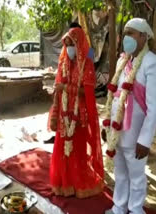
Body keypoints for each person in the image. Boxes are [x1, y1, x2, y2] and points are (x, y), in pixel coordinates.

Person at [104, 18, 156, 214]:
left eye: (131, 33)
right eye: (125, 33)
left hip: (136, 135)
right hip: (117, 131)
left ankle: (135, 209)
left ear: (143, 36)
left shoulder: (154, 63)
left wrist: (145, 140)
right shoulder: (123, 61)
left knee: (136, 176)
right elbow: (115, 97)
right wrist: (108, 126)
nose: (126, 37)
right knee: (120, 173)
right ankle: (119, 208)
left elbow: (154, 107)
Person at [49, 27, 104, 198]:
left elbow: (87, 92)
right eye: (66, 45)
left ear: (78, 44)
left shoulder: (87, 64)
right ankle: (64, 184)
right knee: (61, 149)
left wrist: (65, 87)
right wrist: (55, 113)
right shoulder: (63, 62)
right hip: (64, 114)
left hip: (78, 114)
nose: (68, 49)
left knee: (77, 150)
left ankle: (77, 183)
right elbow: (57, 89)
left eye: (71, 44)